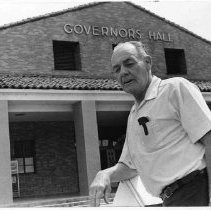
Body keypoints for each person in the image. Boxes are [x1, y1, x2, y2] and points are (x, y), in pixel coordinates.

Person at [89, 41, 211, 206]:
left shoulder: (174, 89)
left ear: (148, 62)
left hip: (195, 191)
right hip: (169, 200)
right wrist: (104, 175)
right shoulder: (133, 116)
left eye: (129, 63)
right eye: (117, 69)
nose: (123, 72)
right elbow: (130, 166)